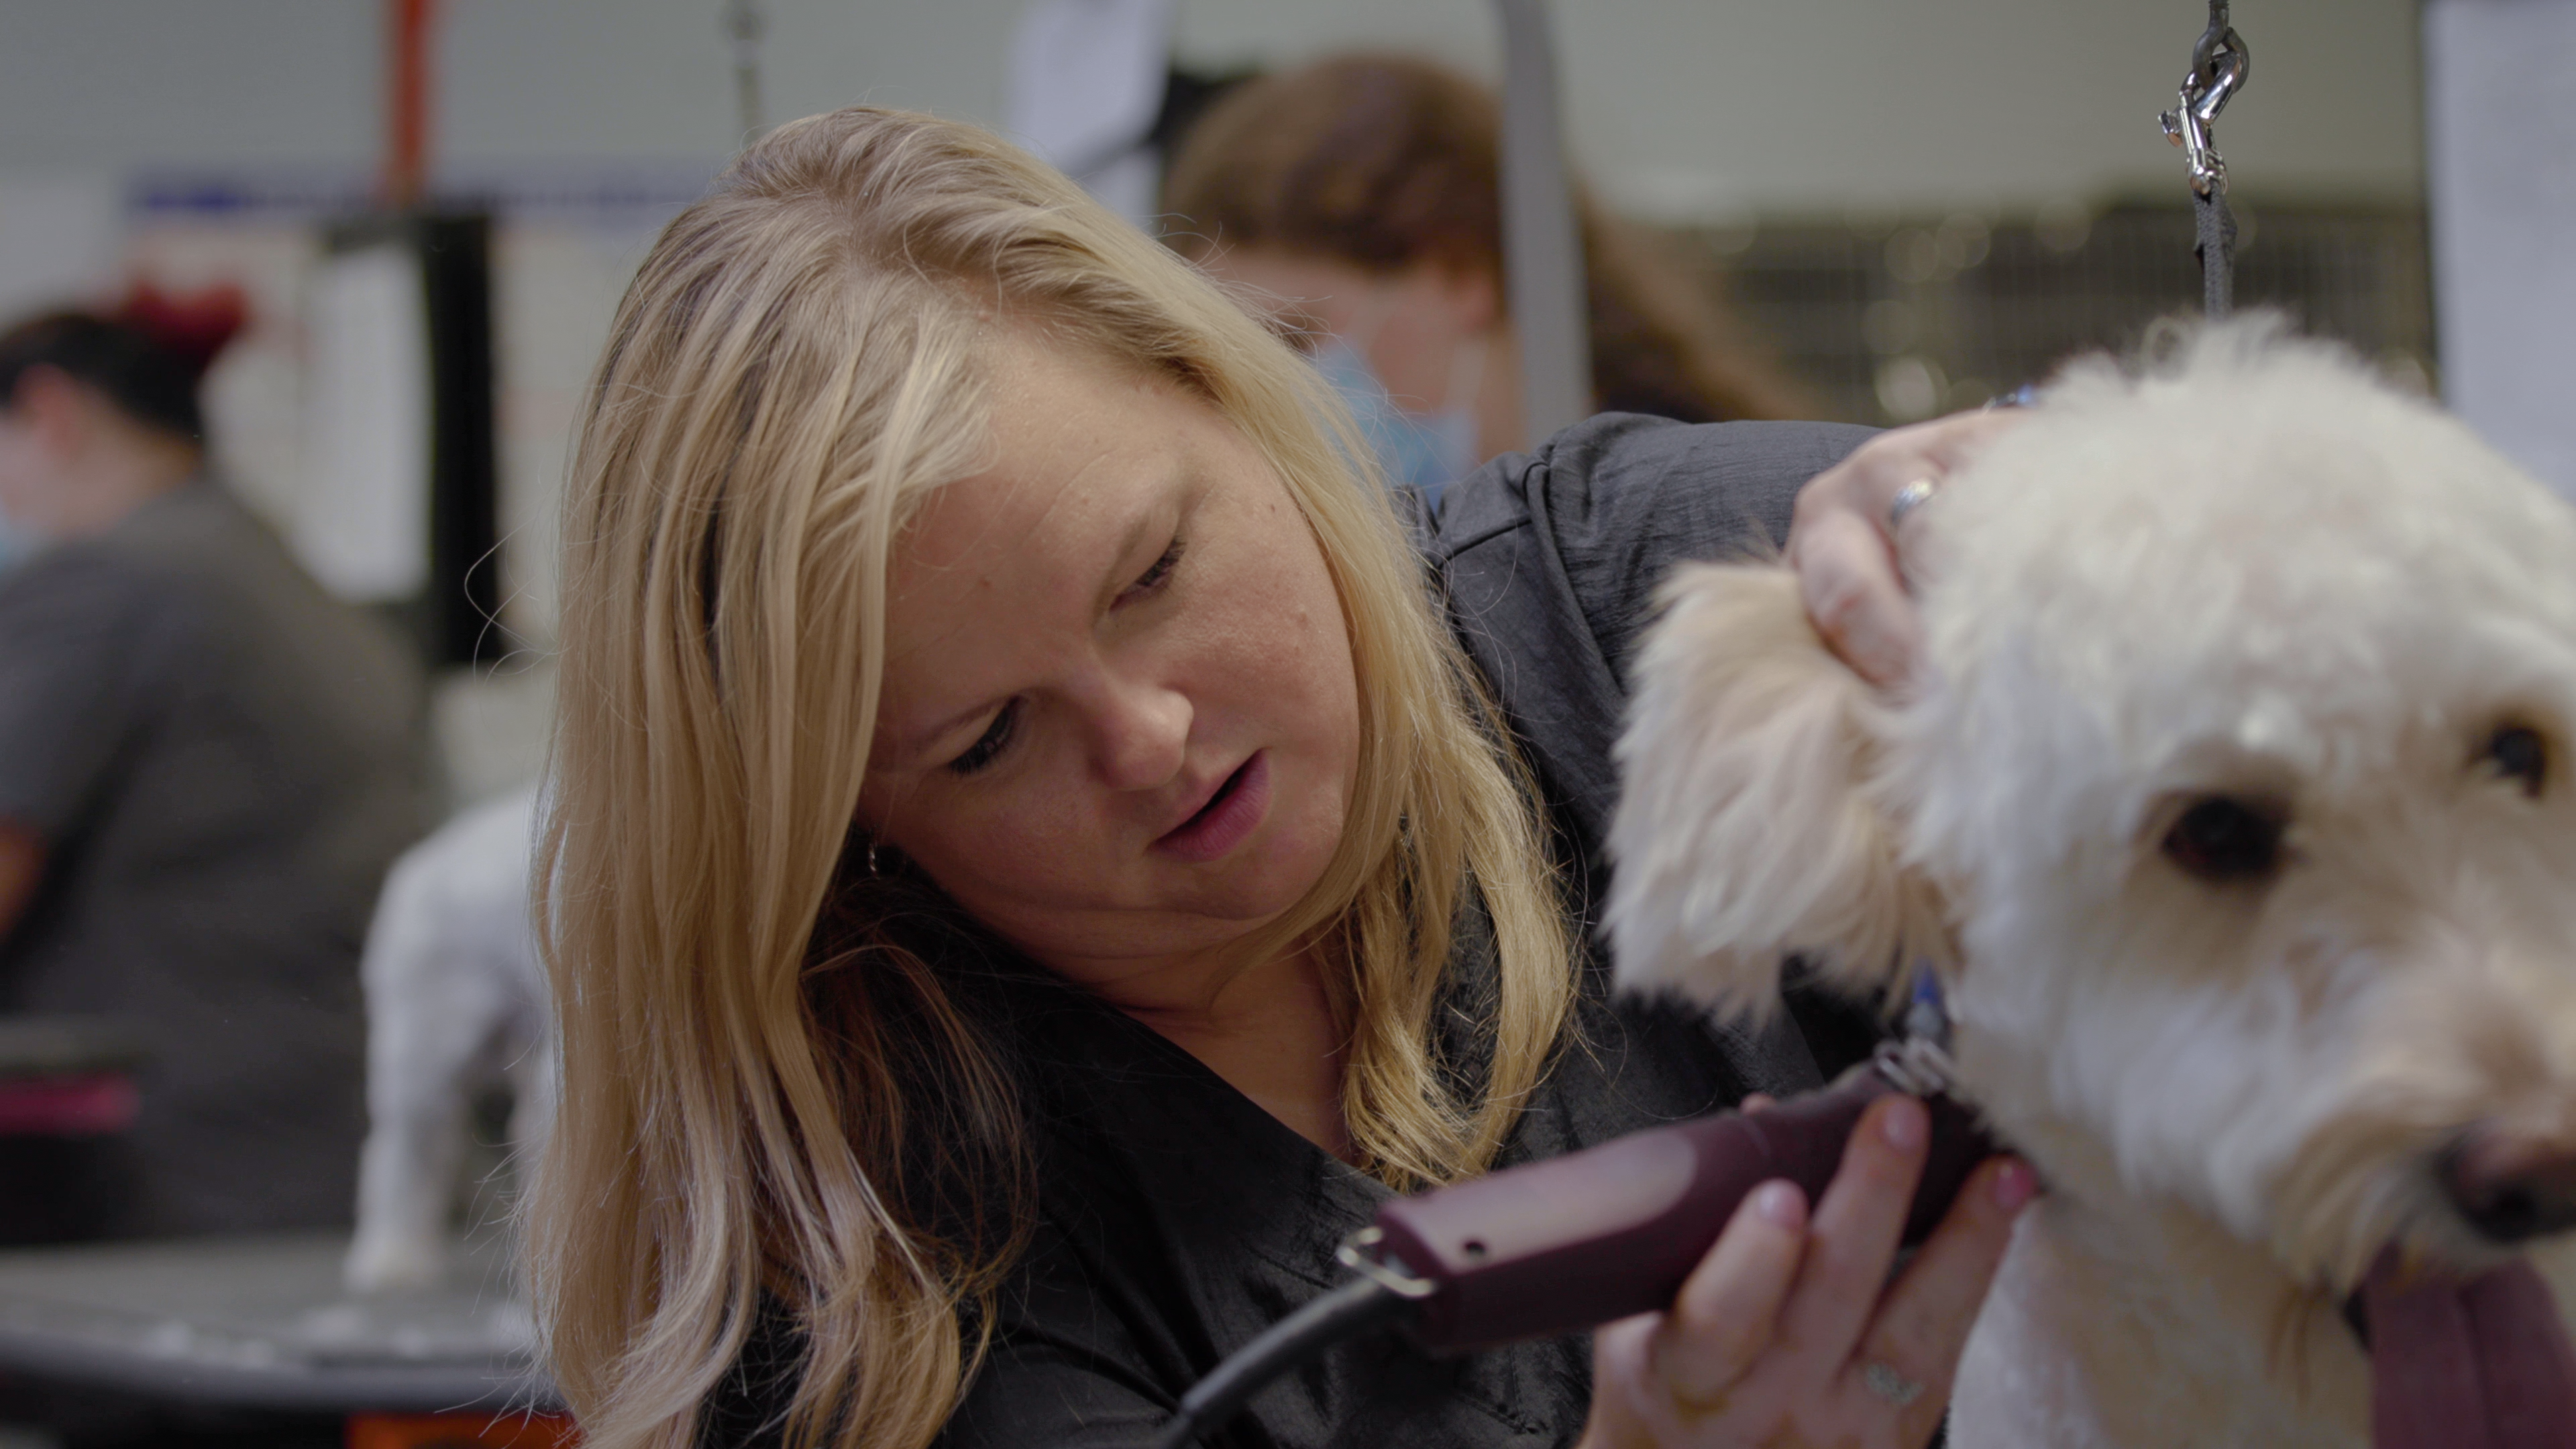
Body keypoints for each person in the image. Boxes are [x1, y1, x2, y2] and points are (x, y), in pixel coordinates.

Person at [527, 106, 2029, 1449]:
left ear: (1228, 397)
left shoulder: (1614, 605)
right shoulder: (891, 1318)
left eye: (1155, 572)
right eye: (988, 740)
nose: (1150, 743)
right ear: (855, 838)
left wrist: (2036, 506)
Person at [0, 292, 429, 1238]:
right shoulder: (281, 575)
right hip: (319, 1149)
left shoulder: (104, 584)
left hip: (161, 1179)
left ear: (50, 414)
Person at [1159, 54, 1808, 504]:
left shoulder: (1704, 513)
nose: (1280, 395)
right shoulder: (1455, 568)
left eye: (1297, 337)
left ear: (1458, 274)